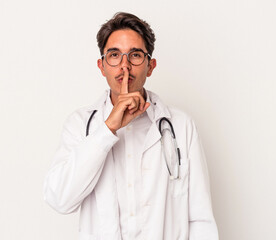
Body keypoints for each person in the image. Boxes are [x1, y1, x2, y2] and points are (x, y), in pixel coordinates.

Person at [43, 12, 219, 240]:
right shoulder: (80, 125)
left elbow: (200, 219)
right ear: (102, 65)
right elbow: (59, 200)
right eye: (114, 55)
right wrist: (107, 130)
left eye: (135, 55)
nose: (124, 66)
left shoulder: (181, 126)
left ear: (150, 66)